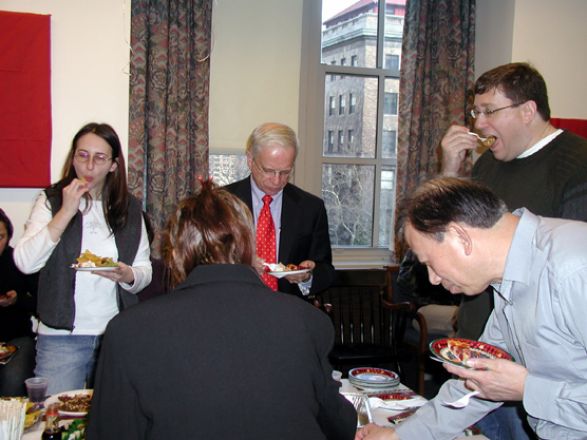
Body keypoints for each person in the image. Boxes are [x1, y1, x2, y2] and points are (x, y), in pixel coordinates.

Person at [86, 179, 356, 439]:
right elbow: (340, 425)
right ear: (250, 250)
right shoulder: (308, 322)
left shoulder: (128, 331)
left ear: (176, 255)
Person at [356, 177, 587, 440]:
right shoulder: (508, 279)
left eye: (429, 262)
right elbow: (476, 381)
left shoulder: (574, 268)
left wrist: (527, 389)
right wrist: (398, 437)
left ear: (460, 237)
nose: (432, 278)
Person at [440, 63, 587, 439]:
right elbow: (451, 238)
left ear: (527, 110)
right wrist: (450, 171)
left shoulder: (577, 163)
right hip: (486, 346)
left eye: (490, 111)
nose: (478, 124)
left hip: (540, 375)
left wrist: (529, 385)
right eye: (476, 112)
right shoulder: (489, 163)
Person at [14, 122, 152, 395]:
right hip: (60, 339)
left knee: (113, 423)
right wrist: (66, 211)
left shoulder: (129, 208)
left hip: (116, 335)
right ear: (73, 157)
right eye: (82, 155)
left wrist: (127, 275)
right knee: (56, 422)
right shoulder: (51, 200)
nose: (89, 165)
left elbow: (144, 271)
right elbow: (25, 262)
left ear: (113, 164)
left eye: (99, 158)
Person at [225, 122, 336, 298]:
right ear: (250, 160)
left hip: (288, 311)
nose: (277, 181)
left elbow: (326, 271)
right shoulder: (222, 203)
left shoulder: (311, 208)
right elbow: (204, 263)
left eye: (285, 172)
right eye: (269, 171)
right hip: (234, 304)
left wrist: (307, 276)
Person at [0, 208, 37, 396]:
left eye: (0, 237)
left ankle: (11, 423)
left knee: (13, 378)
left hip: (17, 339)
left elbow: (43, 305)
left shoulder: (19, 261)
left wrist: (18, 300)